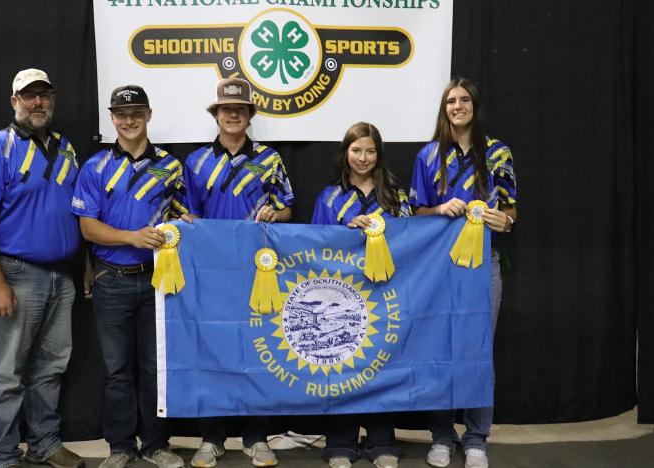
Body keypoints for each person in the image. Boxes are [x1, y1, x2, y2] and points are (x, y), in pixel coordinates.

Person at [0, 68, 84, 468]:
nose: (38, 103)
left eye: (44, 95)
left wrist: (82, 268)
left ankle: (44, 444)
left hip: (60, 276)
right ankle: (3, 453)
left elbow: (74, 214)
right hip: (13, 274)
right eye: (29, 96)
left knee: (51, 367)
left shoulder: (66, 148)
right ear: (14, 101)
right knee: (8, 371)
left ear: (52, 99)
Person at [174, 77, 294, 468]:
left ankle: (256, 435)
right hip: (211, 272)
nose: (232, 114)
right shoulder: (195, 162)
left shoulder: (270, 158)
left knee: (258, 348)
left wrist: (277, 213)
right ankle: (212, 437)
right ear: (217, 114)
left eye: (239, 109)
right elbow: (185, 214)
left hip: (259, 271)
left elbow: (288, 208)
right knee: (212, 347)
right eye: (226, 109)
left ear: (248, 115)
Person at [71, 85, 185, 468]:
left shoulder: (171, 166)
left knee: (156, 368)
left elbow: (185, 218)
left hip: (158, 280)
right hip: (112, 280)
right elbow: (87, 228)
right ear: (111, 118)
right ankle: (120, 447)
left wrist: (185, 223)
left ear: (149, 114)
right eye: (121, 114)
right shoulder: (94, 166)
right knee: (117, 370)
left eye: (136, 112)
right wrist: (131, 237)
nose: (129, 120)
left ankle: (156, 445)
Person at [409, 78, 518, 468]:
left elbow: (511, 211)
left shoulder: (498, 152)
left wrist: (503, 221)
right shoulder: (428, 156)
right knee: (440, 347)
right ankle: (441, 435)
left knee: (478, 349)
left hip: (483, 265)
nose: (458, 106)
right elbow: (415, 212)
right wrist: (439, 210)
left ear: (475, 105)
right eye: (451, 101)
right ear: (444, 109)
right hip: (439, 267)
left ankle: (476, 437)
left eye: (464, 99)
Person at [311, 122, 410, 468]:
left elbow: (412, 244)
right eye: (356, 150)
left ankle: (383, 440)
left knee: (382, 363)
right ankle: (341, 442)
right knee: (343, 364)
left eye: (370, 151)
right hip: (342, 297)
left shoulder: (396, 197)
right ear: (345, 153)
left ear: (379, 154)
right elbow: (314, 248)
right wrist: (344, 233)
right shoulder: (329, 197)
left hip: (385, 296)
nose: (363, 158)